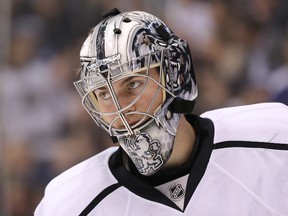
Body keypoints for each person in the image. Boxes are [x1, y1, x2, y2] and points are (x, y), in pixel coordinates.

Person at [35, 9, 288, 216]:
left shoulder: (273, 139)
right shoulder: (69, 204)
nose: (121, 108)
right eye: (103, 94)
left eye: (132, 84)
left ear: (175, 76)